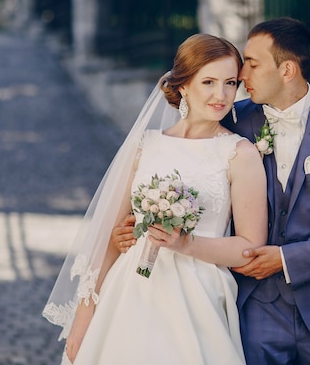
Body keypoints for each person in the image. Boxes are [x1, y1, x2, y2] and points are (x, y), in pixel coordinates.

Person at [112, 17, 310, 365]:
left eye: (251, 64)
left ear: (287, 70)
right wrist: (135, 227)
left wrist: (286, 259)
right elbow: (184, 163)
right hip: (254, 310)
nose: (240, 77)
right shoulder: (230, 118)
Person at [43, 33, 268, 365]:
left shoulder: (240, 153)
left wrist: (186, 244)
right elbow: (108, 235)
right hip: (130, 289)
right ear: (183, 85)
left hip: (197, 295)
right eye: (208, 81)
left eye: (230, 83)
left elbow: (249, 245)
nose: (221, 95)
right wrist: (83, 316)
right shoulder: (145, 145)